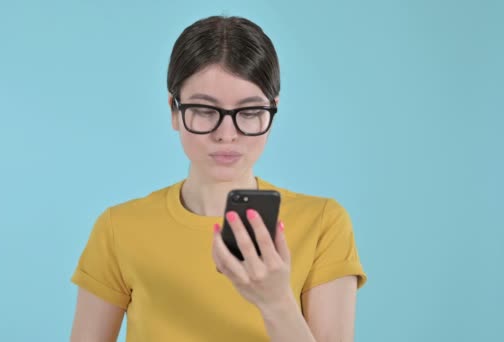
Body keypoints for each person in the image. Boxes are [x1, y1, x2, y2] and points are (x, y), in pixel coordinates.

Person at [70, 15, 367, 342]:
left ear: (273, 110)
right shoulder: (118, 228)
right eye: (205, 110)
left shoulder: (323, 224)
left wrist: (276, 303)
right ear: (174, 110)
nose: (227, 134)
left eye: (250, 112)